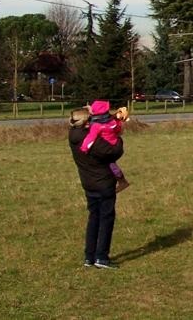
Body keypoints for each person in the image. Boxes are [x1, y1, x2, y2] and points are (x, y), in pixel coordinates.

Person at [69, 107, 123, 269]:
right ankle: (101, 257)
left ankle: (89, 257)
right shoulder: (91, 141)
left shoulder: (73, 135)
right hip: (103, 183)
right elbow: (114, 151)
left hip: (88, 182)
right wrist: (117, 136)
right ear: (86, 123)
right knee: (106, 220)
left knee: (94, 218)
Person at [80, 100, 130, 192]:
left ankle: (122, 181)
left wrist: (84, 148)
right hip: (115, 144)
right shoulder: (112, 122)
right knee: (112, 164)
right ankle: (121, 180)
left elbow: (90, 138)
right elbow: (118, 129)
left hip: (106, 148)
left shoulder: (97, 126)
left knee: (109, 164)